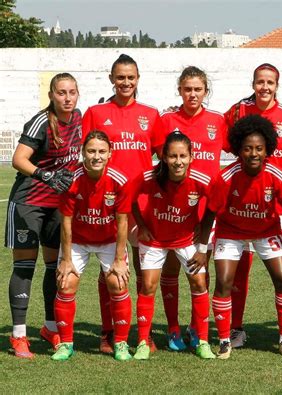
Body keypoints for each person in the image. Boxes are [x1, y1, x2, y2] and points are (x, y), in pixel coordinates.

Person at [197, 114, 282, 359]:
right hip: (231, 232)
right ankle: (225, 340)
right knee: (224, 282)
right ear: (239, 150)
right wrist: (200, 248)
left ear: (267, 149)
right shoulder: (226, 177)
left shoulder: (277, 175)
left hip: (266, 232)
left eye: (259, 148)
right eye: (247, 148)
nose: (253, 154)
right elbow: (209, 213)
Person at [82, 54, 164, 353]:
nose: (125, 82)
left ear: (138, 79)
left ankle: (144, 333)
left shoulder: (151, 115)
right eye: (120, 77)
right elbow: (88, 154)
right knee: (110, 271)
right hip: (107, 204)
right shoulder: (95, 112)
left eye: (131, 77)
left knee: (145, 269)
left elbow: (163, 158)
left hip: (142, 204)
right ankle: (109, 332)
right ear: (111, 79)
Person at [223, 63, 282, 348]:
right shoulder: (238, 112)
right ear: (253, 83)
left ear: (277, 85)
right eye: (260, 82)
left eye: (270, 82)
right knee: (238, 270)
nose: (265, 87)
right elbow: (216, 142)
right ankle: (236, 328)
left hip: (279, 208)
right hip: (242, 202)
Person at [5, 73, 81, 359]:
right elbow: (18, 159)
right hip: (29, 204)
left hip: (58, 206)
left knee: (54, 268)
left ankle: (50, 328)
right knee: (25, 267)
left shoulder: (79, 119)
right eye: (61, 92)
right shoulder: (41, 122)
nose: (67, 97)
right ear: (51, 95)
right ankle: (19, 336)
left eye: (72, 92)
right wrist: (45, 174)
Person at [157, 66, 228, 351]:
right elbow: (154, 158)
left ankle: (197, 327)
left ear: (205, 91)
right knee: (171, 268)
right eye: (188, 89)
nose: (193, 94)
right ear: (180, 91)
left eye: (198, 89)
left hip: (206, 209)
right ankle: (173, 329)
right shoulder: (167, 119)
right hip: (173, 207)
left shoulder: (219, 121)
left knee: (201, 271)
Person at [132, 131, 215, 360]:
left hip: (186, 240)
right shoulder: (149, 177)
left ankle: (203, 340)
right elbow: (127, 198)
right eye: (172, 156)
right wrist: (141, 225)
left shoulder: (200, 180)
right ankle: (142, 342)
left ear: (191, 157)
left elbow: (215, 205)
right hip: (155, 240)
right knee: (148, 285)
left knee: (199, 282)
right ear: (164, 158)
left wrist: (202, 240)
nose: (178, 162)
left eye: (183, 156)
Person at [51, 130, 133, 361]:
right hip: (78, 240)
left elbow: (123, 221)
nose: (96, 156)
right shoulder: (71, 179)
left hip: (109, 241)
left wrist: (119, 259)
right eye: (91, 151)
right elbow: (65, 223)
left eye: (101, 151)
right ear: (82, 152)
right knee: (65, 282)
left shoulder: (120, 180)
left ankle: (121, 343)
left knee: (118, 282)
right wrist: (66, 260)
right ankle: (66, 344)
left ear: (110, 154)